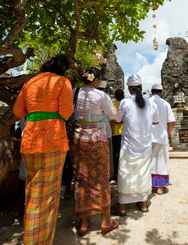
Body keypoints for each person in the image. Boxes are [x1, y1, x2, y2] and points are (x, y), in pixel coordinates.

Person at [13, 54, 74, 245]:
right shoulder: (63, 82)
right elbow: (66, 111)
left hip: (31, 139)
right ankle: (39, 241)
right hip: (53, 140)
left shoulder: (30, 82)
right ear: (63, 69)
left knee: (33, 191)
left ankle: (30, 238)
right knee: (48, 196)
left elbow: (18, 111)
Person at [69, 67, 119, 236]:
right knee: (101, 177)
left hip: (77, 140)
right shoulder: (101, 95)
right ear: (97, 80)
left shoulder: (74, 92)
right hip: (97, 140)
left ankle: (83, 223)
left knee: (81, 177)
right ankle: (105, 221)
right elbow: (114, 116)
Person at [115, 74, 159, 216]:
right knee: (142, 175)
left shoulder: (125, 103)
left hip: (128, 146)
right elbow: (155, 122)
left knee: (125, 175)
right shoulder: (151, 102)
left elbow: (118, 120)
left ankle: (122, 206)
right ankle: (143, 203)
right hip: (145, 147)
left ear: (129, 89)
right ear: (140, 87)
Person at [150, 84, 175, 195]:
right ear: (161, 92)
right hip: (161, 136)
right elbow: (171, 122)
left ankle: (148, 185)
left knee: (149, 161)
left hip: (148, 137)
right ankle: (160, 187)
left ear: (151, 92)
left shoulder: (147, 102)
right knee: (161, 161)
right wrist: (167, 134)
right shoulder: (166, 104)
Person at [98, 80, 114, 179]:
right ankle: (108, 175)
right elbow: (114, 117)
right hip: (106, 133)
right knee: (107, 157)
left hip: (92, 133)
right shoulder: (107, 99)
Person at [111, 89, 125, 178]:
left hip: (115, 132)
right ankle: (123, 172)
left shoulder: (112, 105)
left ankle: (116, 172)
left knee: (115, 153)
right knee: (123, 153)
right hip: (124, 132)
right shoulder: (125, 104)